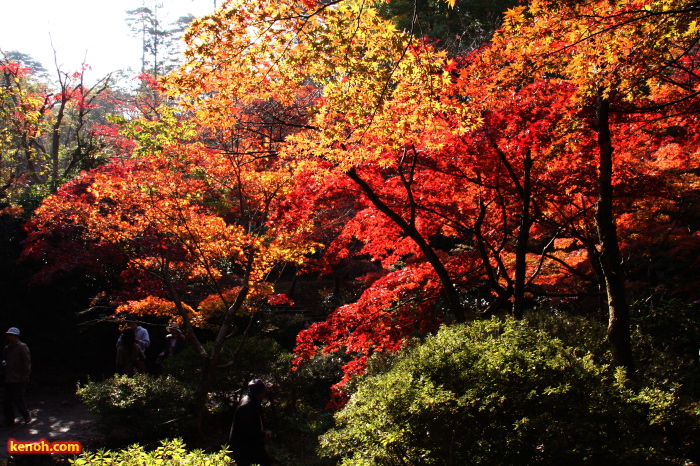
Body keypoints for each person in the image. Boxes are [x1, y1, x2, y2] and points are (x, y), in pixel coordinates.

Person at [229, 379, 272, 466]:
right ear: (259, 393)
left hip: (250, 443)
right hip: (244, 445)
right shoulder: (248, 406)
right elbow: (246, 429)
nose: (265, 392)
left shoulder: (253, 402)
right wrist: (263, 435)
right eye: (264, 391)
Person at [2, 327, 31, 426]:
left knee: (19, 398)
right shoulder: (7, 348)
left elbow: (27, 362)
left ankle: (26, 416)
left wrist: (26, 375)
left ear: (16, 336)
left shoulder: (22, 347)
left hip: (19, 377)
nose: (9, 337)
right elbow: (5, 360)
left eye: (10, 335)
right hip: (9, 377)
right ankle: (9, 419)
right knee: (7, 400)